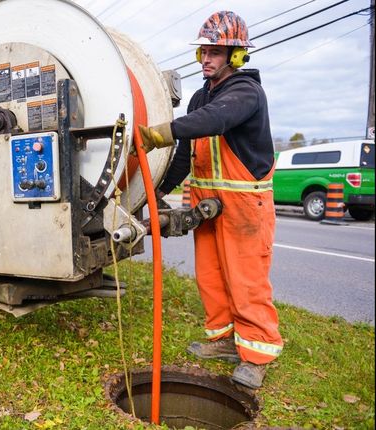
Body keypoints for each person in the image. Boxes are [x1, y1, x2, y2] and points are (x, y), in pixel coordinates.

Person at [137, 10, 283, 389]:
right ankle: (224, 341)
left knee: (247, 280)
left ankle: (257, 354)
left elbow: (216, 120)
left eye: (215, 52)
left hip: (244, 206)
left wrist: (161, 132)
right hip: (208, 204)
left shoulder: (245, 92)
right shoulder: (201, 96)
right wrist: (156, 192)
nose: (206, 59)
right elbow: (186, 153)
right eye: (203, 52)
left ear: (235, 56)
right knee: (212, 278)